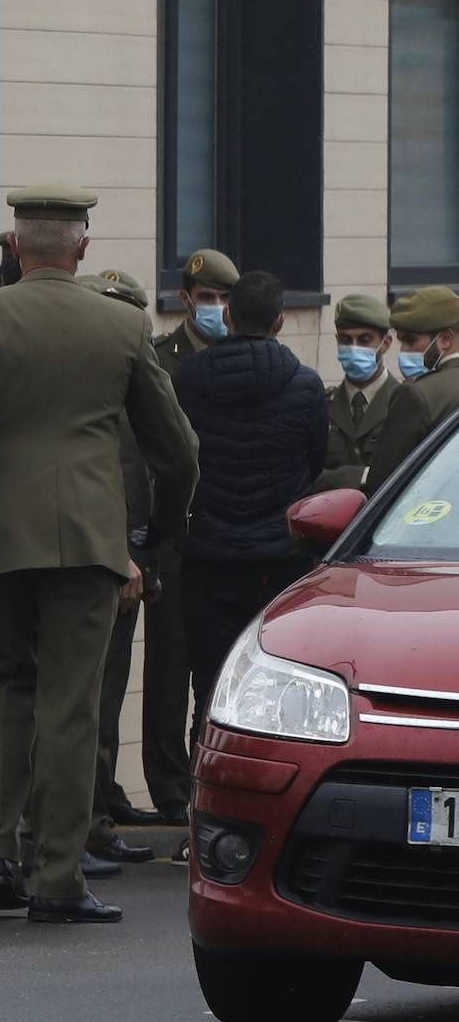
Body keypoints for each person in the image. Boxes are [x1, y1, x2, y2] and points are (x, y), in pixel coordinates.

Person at [0, 186, 199, 924]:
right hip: (86, 535)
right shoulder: (119, 323)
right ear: (82, 248)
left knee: (4, 687)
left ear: (14, 248)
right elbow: (175, 445)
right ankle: (57, 873)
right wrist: (164, 526)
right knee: (72, 705)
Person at [173, 270, 326, 749]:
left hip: (207, 559)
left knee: (211, 692)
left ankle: (204, 811)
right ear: (280, 321)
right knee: (280, 696)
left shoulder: (188, 380)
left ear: (229, 317)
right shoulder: (305, 385)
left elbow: (175, 458)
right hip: (280, 563)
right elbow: (314, 462)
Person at [124, 247, 241, 829]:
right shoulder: (162, 357)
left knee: (212, 660)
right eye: (206, 298)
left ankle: (199, 776)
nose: (214, 309)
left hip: (218, 522)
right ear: (187, 300)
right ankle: (167, 781)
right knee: (166, 661)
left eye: (224, 299)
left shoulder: (243, 360)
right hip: (168, 523)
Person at [73, 272, 158, 868]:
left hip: (98, 553)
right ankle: (87, 825)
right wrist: (132, 555)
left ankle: (90, 818)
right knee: (92, 701)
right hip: (107, 558)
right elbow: (128, 477)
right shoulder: (117, 383)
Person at [363, 287, 459, 495]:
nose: (404, 351)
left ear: (445, 339)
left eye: (411, 341)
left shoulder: (416, 395)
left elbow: (383, 485)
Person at [313, 294, 401, 493]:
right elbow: (308, 474)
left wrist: (341, 477)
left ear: (386, 343)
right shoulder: (323, 404)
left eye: (364, 340)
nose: (354, 348)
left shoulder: (404, 401)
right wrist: (362, 475)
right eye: (345, 340)